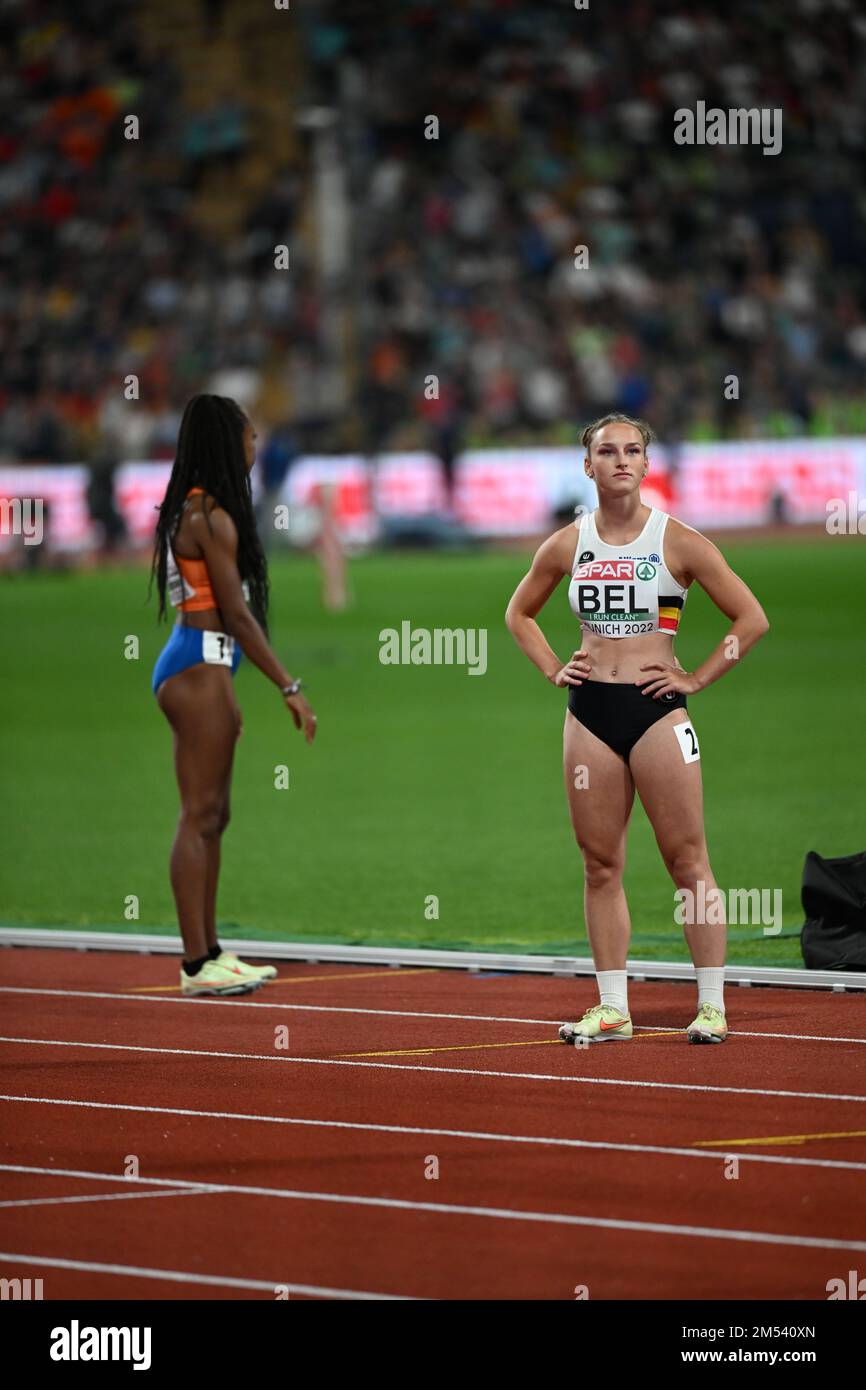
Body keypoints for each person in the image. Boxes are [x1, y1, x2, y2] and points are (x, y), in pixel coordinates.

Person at [505, 413, 769, 1044]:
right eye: (606, 451)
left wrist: (698, 677)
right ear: (587, 466)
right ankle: (613, 1007)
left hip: (656, 713)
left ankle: (711, 1004)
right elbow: (519, 613)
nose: (620, 460)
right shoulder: (567, 544)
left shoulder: (678, 541)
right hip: (589, 715)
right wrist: (551, 668)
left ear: (647, 465)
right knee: (600, 865)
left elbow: (751, 619)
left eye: (632, 451)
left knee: (688, 860)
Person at [150, 394, 317, 996]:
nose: (256, 447)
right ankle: (196, 963)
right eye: (250, 438)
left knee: (214, 815)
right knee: (200, 814)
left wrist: (229, 689)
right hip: (198, 666)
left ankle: (210, 951)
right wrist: (289, 687)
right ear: (231, 443)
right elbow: (238, 618)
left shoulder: (196, 508)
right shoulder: (209, 514)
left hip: (202, 668)